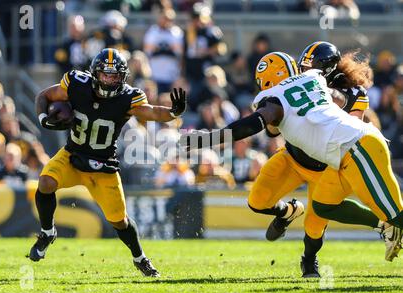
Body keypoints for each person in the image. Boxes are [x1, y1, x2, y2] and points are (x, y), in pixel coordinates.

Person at [182, 51, 403, 274]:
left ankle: (380, 228)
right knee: (323, 206)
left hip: (355, 148)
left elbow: (251, 126)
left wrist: (207, 138)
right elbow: (337, 100)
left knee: (396, 216)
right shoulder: (314, 79)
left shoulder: (276, 100)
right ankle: (294, 213)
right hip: (339, 152)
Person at [30, 48, 187, 277]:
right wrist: (44, 119)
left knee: (119, 221)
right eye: (106, 74)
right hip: (73, 155)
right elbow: (43, 96)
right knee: (45, 182)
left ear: (122, 77)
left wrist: (173, 112)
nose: (110, 79)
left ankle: (140, 258)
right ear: (95, 73)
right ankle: (47, 232)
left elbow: (151, 112)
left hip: (104, 166)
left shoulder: (128, 96)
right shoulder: (76, 83)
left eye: (115, 75)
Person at [143, 8, 184, 94]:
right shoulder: (152, 31)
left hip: (172, 75)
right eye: (165, 18)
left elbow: (179, 51)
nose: (167, 21)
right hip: (155, 74)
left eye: (170, 19)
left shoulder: (177, 32)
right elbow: (147, 49)